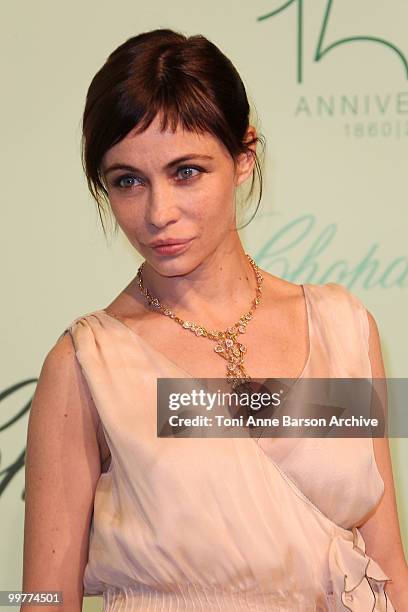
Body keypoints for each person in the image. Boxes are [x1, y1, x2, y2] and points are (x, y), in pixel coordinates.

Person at [21, 28, 407, 611]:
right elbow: (45, 599)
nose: (159, 213)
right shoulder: (86, 364)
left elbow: (388, 571)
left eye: (186, 172)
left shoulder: (343, 329)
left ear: (244, 156)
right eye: (128, 181)